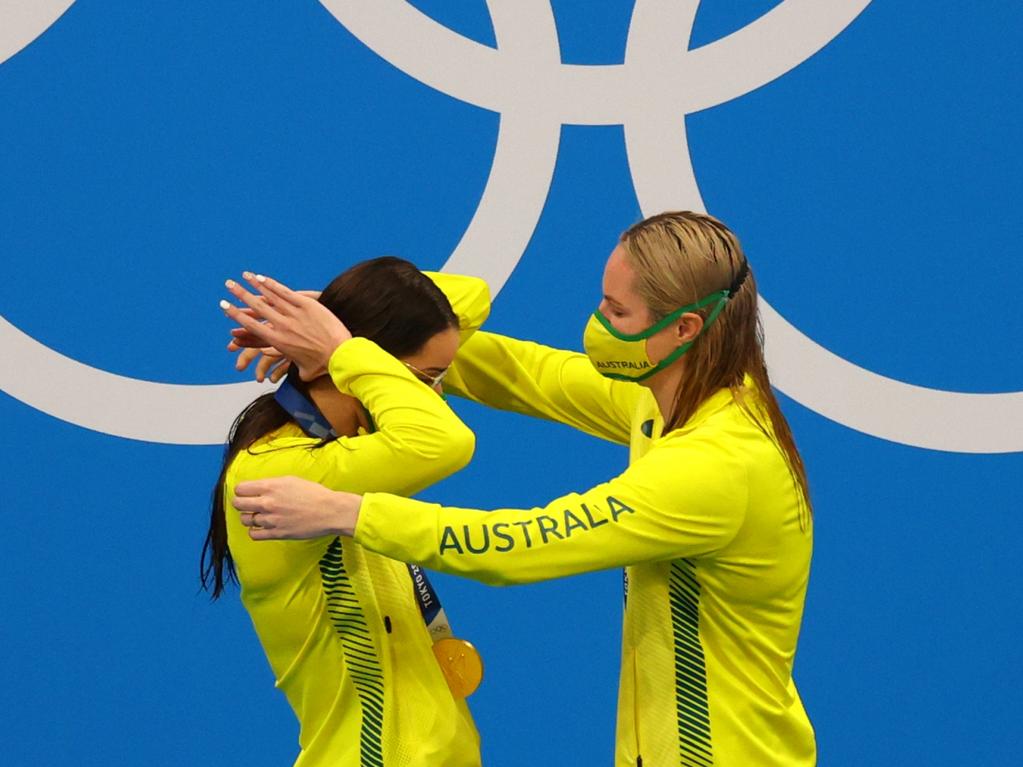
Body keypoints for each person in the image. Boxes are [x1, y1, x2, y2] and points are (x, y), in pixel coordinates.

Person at [222, 211, 816, 766]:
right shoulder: (675, 403)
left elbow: (515, 543)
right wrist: (341, 317)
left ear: (684, 328)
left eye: (616, 311)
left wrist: (351, 503)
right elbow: (513, 364)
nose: (598, 322)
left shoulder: (715, 464)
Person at [204, 256, 491, 767]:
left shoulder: (352, 449)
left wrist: (322, 316)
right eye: (426, 379)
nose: (436, 395)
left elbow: (473, 296)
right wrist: (343, 348)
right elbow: (447, 442)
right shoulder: (276, 470)